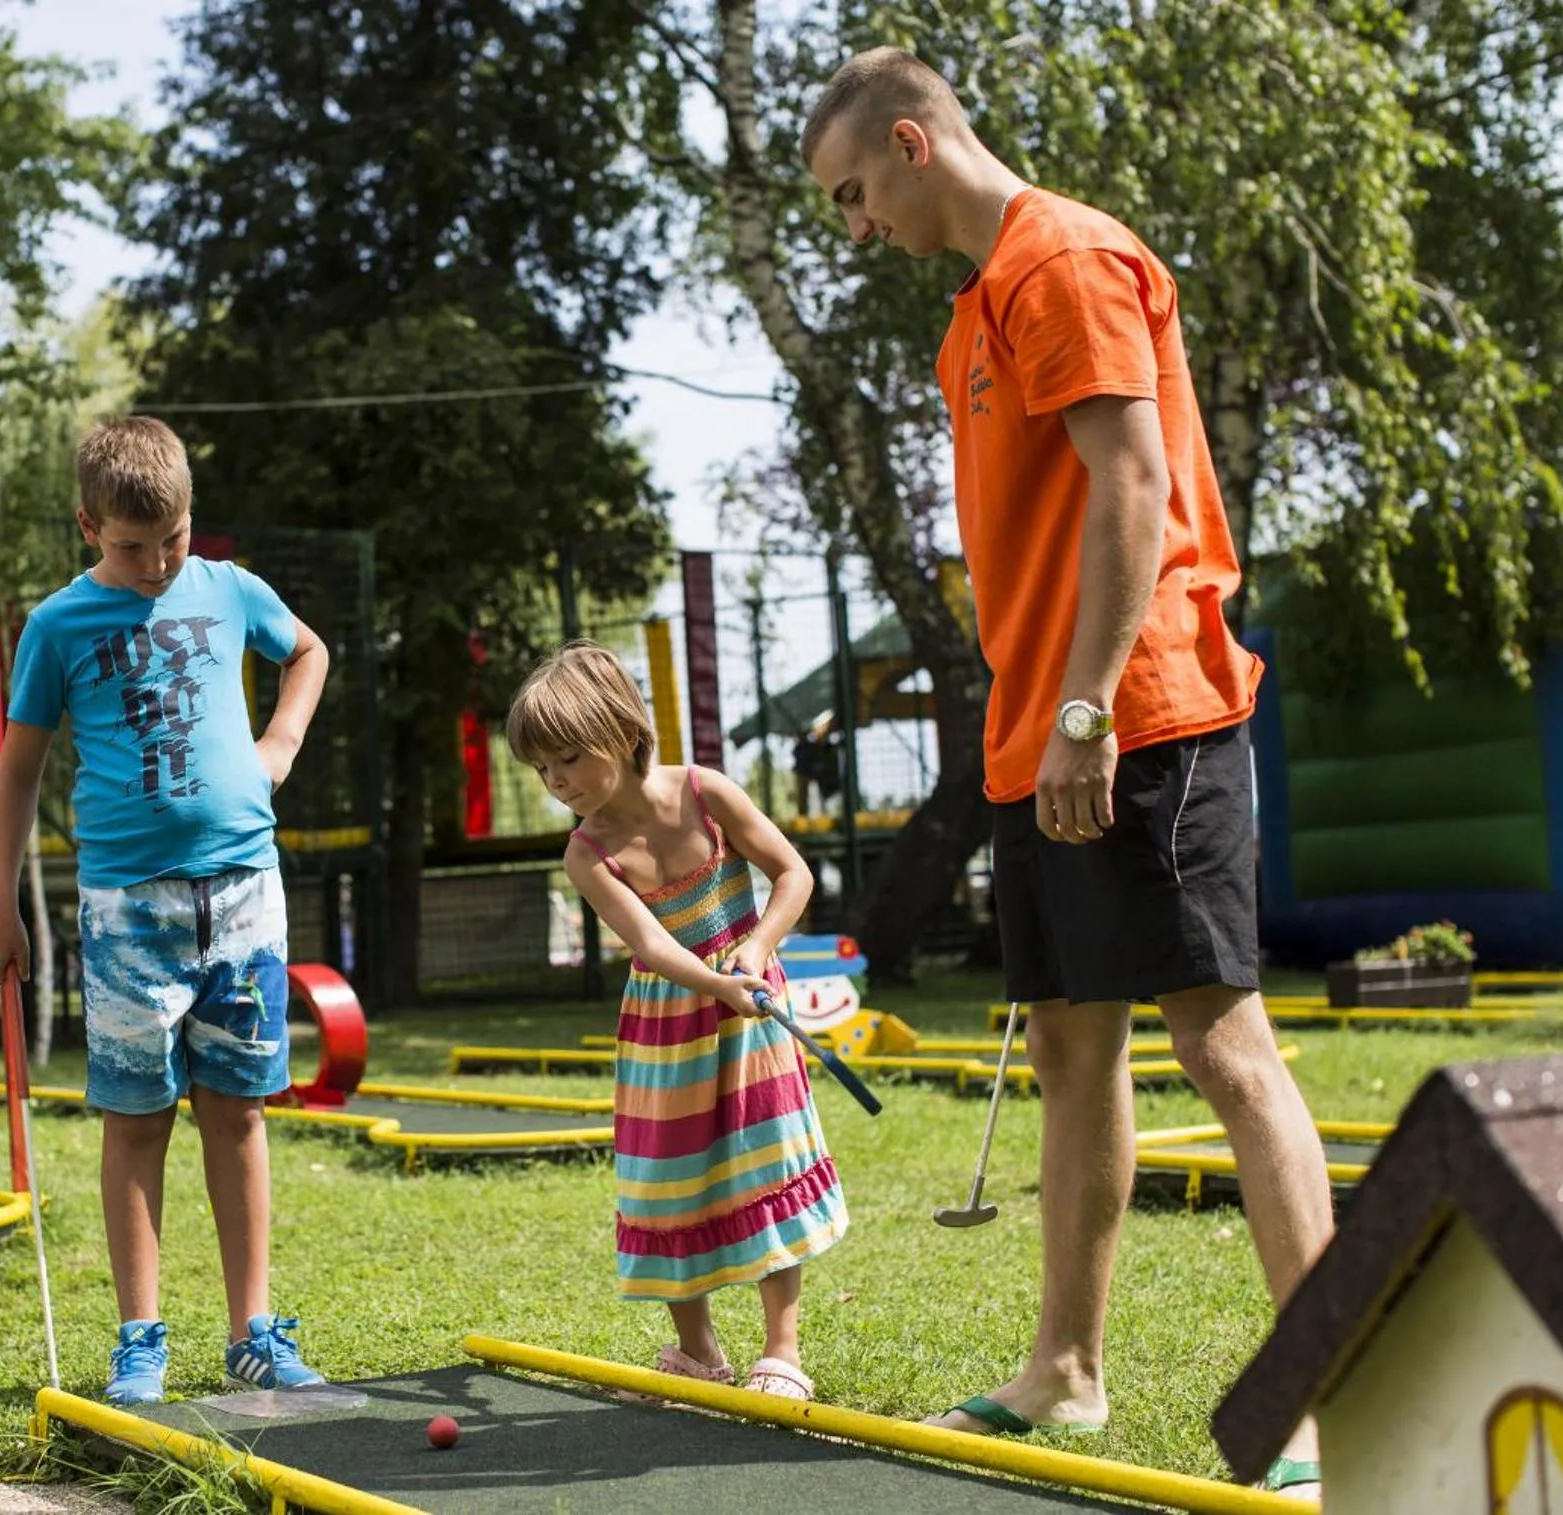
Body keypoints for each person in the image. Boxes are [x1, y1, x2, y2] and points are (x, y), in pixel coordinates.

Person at [800, 48, 1333, 1498]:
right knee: (1072, 1049)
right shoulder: (974, 313)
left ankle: (1334, 1391)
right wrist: (1043, 727)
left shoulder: (1066, 262)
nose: (857, 229)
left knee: (1224, 1042)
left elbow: (1137, 485)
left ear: (914, 143)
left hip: (1140, 717)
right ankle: (1068, 1367)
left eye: (856, 194)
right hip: (1043, 733)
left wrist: (1092, 710)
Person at [0, 416, 333, 1405]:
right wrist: (0, 903)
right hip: (129, 908)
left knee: (238, 1109)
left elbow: (307, 652)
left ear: (191, 519)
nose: (154, 561)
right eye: (132, 545)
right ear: (89, 524)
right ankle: (140, 1339)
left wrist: (282, 746)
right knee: (137, 1120)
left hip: (245, 894)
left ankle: (253, 1330)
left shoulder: (228, 590)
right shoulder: (58, 625)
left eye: (171, 539)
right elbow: (16, 772)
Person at [507, 641, 846, 1401]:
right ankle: (697, 1350)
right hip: (668, 1027)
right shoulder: (587, 852)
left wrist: (757, 948)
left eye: (566, 758)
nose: (556, 780)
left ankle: (782, 1351)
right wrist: (716, 984)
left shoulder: (706, 791)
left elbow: (793, 872)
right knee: (667, 1180)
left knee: (769, 1159)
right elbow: (653, 947)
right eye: (543, 769)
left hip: (750, 1017)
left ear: (623, 734)